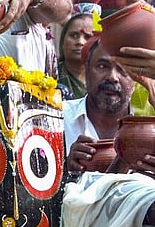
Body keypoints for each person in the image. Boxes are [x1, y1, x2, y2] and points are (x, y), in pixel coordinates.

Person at [65, 37, 154, 172]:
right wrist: (65, 169)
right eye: (102, 66)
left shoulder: (150, 130)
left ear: (136, 78)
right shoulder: (58, 118)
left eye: (123, 70)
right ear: (86, 70)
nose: (112, 77)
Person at [57, 9, 95, 99]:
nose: (80, 42)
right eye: (74, 35)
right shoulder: (49, 73)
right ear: (63, 41)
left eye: (88, 37)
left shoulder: (103, 78)